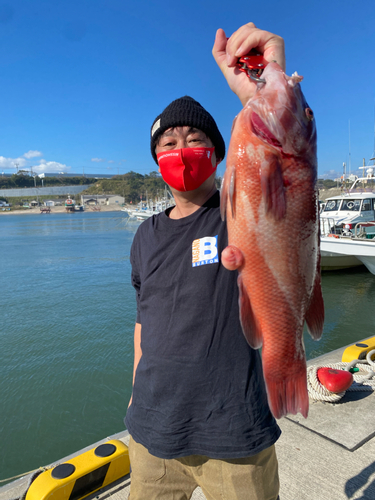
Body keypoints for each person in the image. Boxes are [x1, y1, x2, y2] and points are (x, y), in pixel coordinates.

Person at [125, 22, 285, 500]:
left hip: (235, 436)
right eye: (168, 144)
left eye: (193, 139)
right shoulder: (144, 235)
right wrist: (134, 394)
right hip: (151, 436)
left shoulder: (240, 210)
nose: (181, 151)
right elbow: (142, 323)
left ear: (217, 152)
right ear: (156, 159)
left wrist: (262, 81)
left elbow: (278, 149)